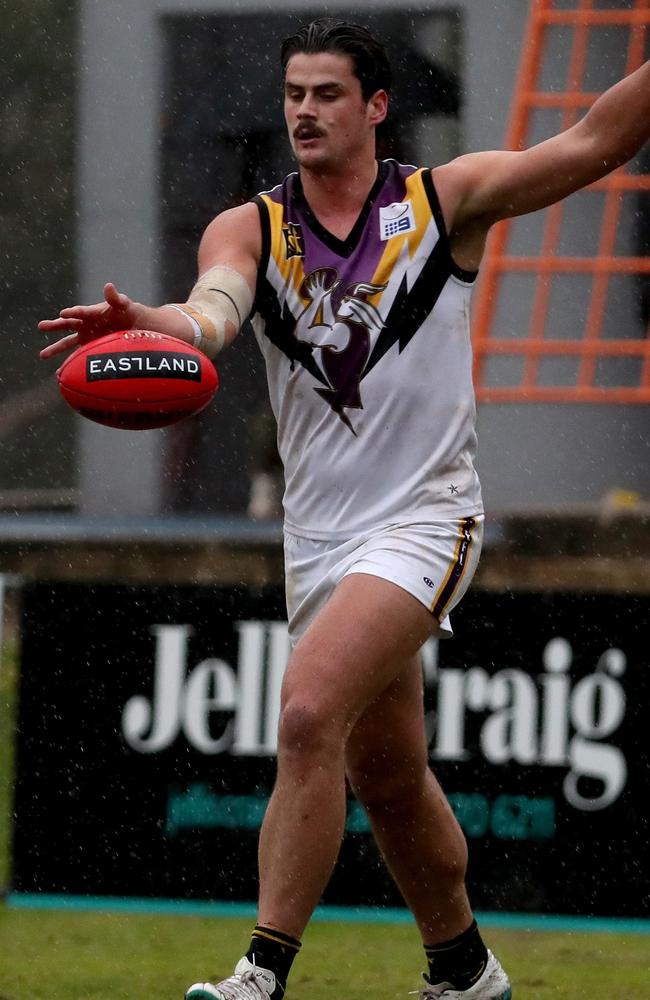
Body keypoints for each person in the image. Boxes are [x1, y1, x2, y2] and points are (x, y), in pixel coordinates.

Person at [38, 18, 650, 1000]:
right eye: (293, 95)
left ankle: (259, 971)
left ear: (374, 106)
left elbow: (587, 144)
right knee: (390, 777)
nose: (304, 112)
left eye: (326, 94)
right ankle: (462, 968)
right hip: (319, 540)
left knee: (308, 709)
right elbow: (212, 312)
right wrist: (159, 326)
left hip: (425, 520)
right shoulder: (252, 226)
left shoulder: (439, 202)